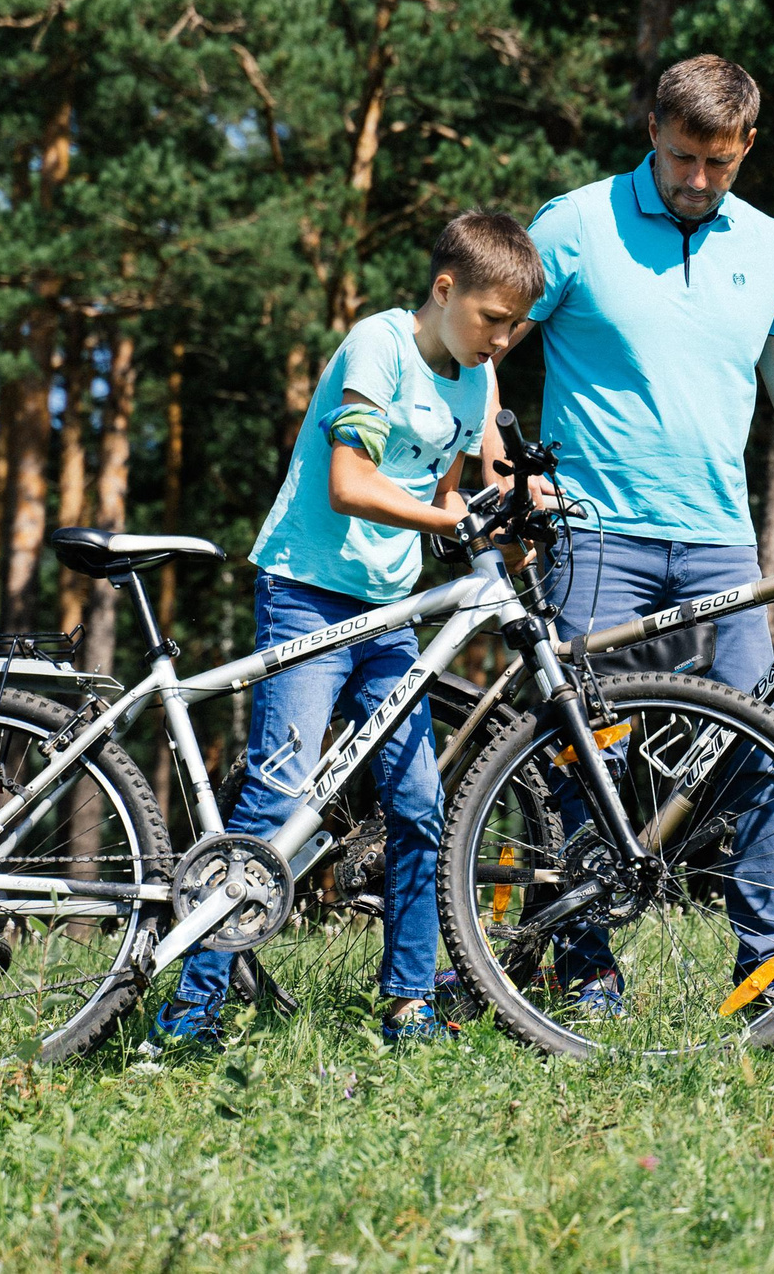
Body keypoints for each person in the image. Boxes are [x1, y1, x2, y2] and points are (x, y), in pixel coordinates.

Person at [510, 54, 774, 1012]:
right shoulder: (573, 224)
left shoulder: (768, 247)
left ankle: (767, 966)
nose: (696, 181)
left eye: (719, 165)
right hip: (595, 532)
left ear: (747, 149)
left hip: (721, 539)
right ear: (653, 128)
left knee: (761, 744)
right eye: (683, 157)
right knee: (582, 754)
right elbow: (480, 341)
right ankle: (582, 962)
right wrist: (498, 466)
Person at [152, 210, 542, 1049]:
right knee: (276, 799)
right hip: (307, 591)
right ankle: (191, 1010)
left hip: (389, 610)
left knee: (417, 803)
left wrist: (494, 513)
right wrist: (449, 527)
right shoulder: (381, 345)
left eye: (517, 326)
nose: (505, 340)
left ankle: (407, 999)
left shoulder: (474, 381)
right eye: (493, 319)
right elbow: (351, 483)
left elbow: (437, 498)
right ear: (445, 290)